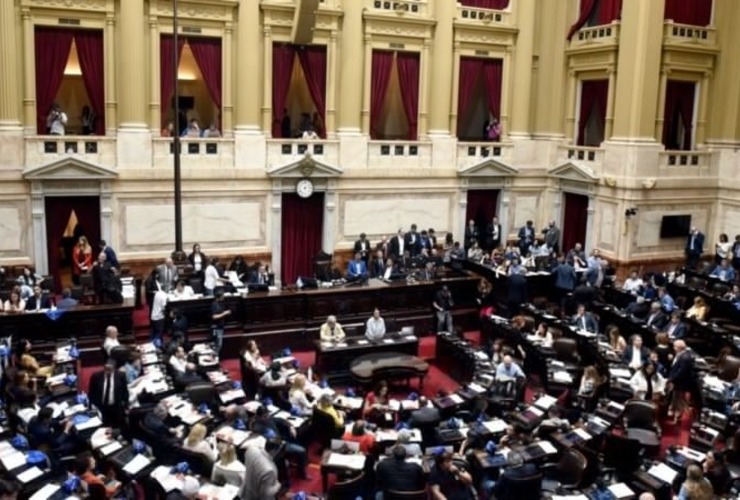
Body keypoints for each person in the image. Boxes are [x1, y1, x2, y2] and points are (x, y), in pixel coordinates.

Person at [89, 361, 128, 428]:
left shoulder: (121, 375)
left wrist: (125, 405)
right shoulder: (96, 376)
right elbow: (92, 392)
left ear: (114, 369)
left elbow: (125, 391)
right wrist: (92, 405)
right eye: (106, 369)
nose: (108, 372)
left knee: (117, 426)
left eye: (110, 369)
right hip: (101, 406)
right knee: (103, 426)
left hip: (116, 406)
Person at [667, 340, 696, 424]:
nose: (673, 348)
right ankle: (676, 418)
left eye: (674, 346)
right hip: (679, 383)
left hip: (680, 384)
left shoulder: (684, 357)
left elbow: (681, 372)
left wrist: (672, 379)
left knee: (679, 401)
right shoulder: (683, 355)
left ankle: (677, 419)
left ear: (679, 348)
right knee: (676, 400)